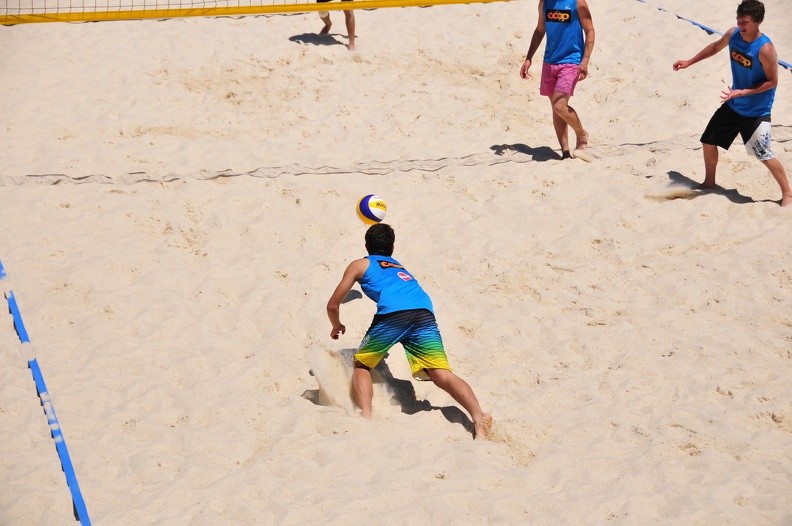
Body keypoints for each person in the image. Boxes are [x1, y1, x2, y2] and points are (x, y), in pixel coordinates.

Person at [326, 223, 493, 439]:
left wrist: (336, 325)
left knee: (362, 364)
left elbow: (332, 305)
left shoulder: (360, 264)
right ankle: (479, 417)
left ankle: (365, 417)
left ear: (366, 245)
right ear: (392, 247)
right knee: (440, 373)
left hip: (395, 314)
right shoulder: (399, 266)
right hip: (424, 311)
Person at [673, 0, 792, 207]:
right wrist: (689, 61)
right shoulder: (733, 35)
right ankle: (710, 182)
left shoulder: (765, 49)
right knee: (708, 141)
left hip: (756, 111)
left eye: (745, 22)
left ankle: (788, 194)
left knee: (763, 154)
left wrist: (745, 91)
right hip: (734, 103)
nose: (740, 26)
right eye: (738, 20)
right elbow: (714, 47)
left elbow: (773, 81)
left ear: (757, 22)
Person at [519, 0, 595, 160]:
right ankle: (565, 152)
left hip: (571, 60)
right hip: (550, 62)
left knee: (559, 105)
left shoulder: (577, 2)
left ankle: (582, 134)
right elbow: (540, 30)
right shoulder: (544, 3)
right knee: (556, 108)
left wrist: (585, 60)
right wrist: (529, 58)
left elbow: (590, 30)